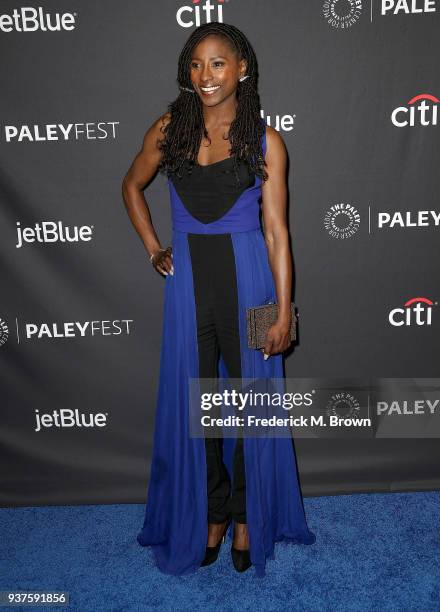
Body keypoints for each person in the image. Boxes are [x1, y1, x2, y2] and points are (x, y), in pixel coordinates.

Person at [122, 21, 316, 577]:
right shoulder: (168, 131)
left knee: (252, 408)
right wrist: (155, 247)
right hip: (188, 287)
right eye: (197, 63)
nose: (206, 75)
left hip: (252, 278)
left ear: (243, 69)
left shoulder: (265, 139)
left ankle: (248, 514)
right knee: (197, 406)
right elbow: (130, 185)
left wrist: (283, 310)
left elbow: (277, 231)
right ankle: (211, 510)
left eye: (218, 63)